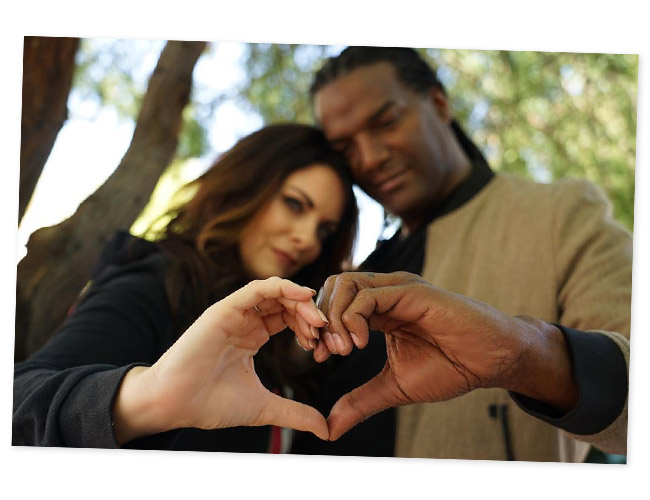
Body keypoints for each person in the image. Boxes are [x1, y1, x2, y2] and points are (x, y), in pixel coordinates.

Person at [293, 46, 631, 461]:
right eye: (345, 148)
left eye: (386, 122)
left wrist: (521, 353)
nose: (370, 159)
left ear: (438, 103)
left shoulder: (561, 213)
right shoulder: (362, 268)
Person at [13, 123, 359, 451]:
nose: (307, 240)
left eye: (324, 231)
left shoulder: (288, 336)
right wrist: (148, 398)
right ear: (246, 186)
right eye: (294, 204)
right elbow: (18, 402)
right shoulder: (155, 284)